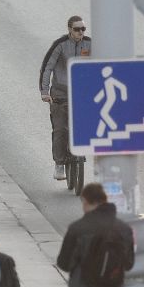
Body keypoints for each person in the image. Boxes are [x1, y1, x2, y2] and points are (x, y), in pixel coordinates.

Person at [38, 15, 92, 180]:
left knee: (86, 125)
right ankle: (59, 164)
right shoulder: (60, 45)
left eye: (83, 29)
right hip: (60, 94)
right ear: (69, 29)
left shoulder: (90, 44)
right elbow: (47, 67)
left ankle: (81, 150)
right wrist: (45, 92)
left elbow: (101, 66)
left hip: (82, 94)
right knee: (60, 129)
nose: (80, 32)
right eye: (77, 29)